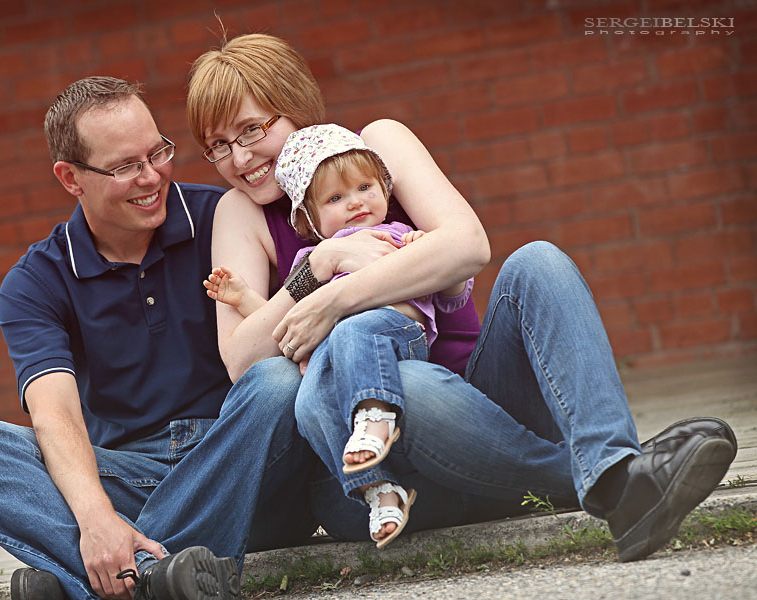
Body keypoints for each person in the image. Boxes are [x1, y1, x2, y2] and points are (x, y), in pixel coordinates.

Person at [187, 32, 737, 562]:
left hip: (484, 407)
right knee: (405, 382)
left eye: (251, 130)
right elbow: (242, 358)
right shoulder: (241, 212)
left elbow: (467, 245)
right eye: (217, 146)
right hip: (379, 483)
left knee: (537, 261)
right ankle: (607, 481)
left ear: (295, 107)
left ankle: (613, 463)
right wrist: (319, 270)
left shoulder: (378, 145)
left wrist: (338, 299)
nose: (239, 158)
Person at [0, 76, 322, 600]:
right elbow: (55, 415)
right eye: (124, 167)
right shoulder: (36, 281)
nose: (152, 176)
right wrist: (95, 518)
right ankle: (163, 576)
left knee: (275, 384)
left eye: (157, 152)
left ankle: (94, 579)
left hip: (243, 463)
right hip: (129, 476)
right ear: (70, 178)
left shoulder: (223, 216)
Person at [204, 123, 474, 547]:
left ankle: (376, 416)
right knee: (311, 402)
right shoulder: (309, 260)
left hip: (388, 338)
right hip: (329, 370)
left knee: (356, 331)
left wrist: (420, 246)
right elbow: (283, 328)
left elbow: (452, 284)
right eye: (335, 198)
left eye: (366, 188)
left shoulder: (392, 233)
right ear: (309, 218)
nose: (355, 204)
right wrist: (242, 298)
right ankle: (380, 491)